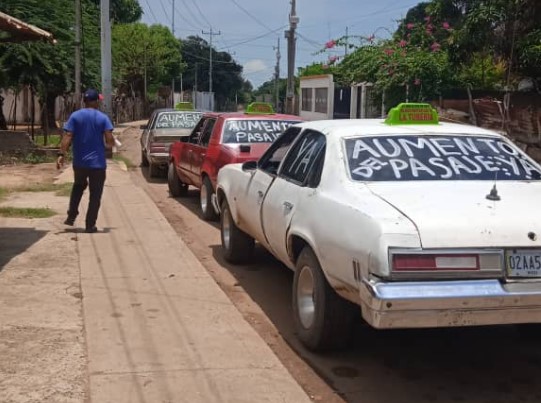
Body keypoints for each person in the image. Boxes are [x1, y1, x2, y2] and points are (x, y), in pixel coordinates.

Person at [57, 89, 115, 233]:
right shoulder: (103, 118)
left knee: (78, 186)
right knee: (95, 195)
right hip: (98, 164)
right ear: (96, 101)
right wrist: (111, 143)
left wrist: (61, 154)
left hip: (80, 163)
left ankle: (71, 216)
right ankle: (90, 225)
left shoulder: (75, 116)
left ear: (84, 101)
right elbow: (109, 141)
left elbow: (67, 136)